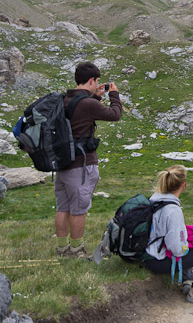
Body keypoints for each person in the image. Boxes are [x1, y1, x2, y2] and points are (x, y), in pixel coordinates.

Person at [55, 61, 122, 259]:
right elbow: (115, 114)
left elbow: (80, 116)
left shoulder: (64, 99)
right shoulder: (88, 103)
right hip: (82, 165)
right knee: (79, 209)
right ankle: (76, 250)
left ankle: (61, 249)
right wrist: (114, 94)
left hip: (63, 163)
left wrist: (95, 96)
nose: (98, 84)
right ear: (92, 80)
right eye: (97, 81)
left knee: (63, 208)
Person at [144, 165, 193, 305]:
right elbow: (177, 249)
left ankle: (187, 279)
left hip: (146, 255)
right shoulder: (173, 210)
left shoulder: (154, 199)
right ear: (183, 185)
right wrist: (189, 243)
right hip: (156, 262)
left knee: (186, 242)